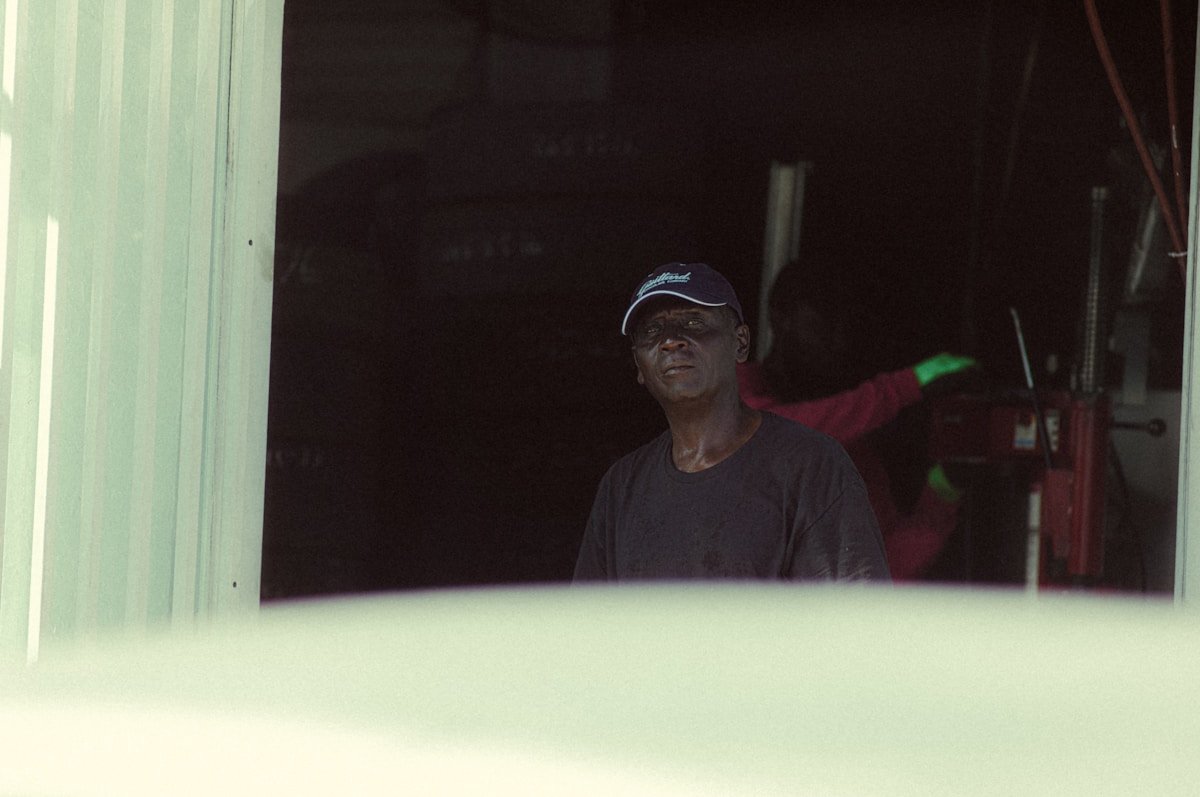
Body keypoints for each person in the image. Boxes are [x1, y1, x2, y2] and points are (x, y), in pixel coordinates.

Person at [573, 262, 890, 581]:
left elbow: (858, 620)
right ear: (639, 365)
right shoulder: (622, 486)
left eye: (694, 322)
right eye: (653, 330)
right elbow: (588, 624)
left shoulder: (812, 466)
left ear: (740, 343)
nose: (671, 341)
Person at [737, 259, 978, 580]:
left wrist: (942, 492)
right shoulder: (735, 392)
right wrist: (908, 385)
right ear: (781, 317)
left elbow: (885, 567)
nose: (839, 338)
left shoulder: (852, 450)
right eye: (825, 320)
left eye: (847, 323)